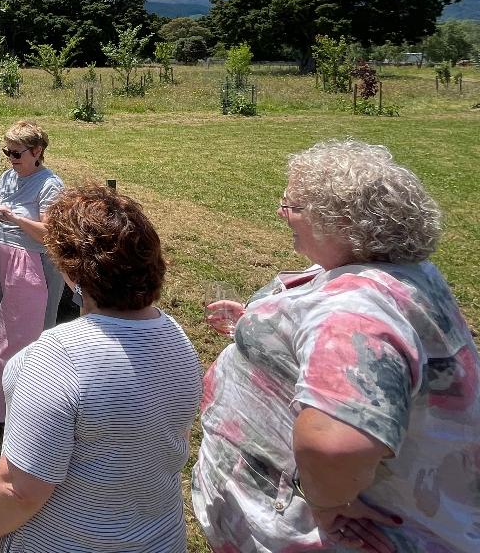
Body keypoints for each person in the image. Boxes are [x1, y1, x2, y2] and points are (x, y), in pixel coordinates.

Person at [193, 139, 480, 553]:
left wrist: (326, 502)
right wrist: (259, 327)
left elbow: (332, 445)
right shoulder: (397, 270)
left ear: (341, 220)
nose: (281, 213)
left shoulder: (356, 312)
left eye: (291, 205)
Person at [0, 185, 202, 553]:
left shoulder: (55, 358)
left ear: (73, 271)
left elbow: (20, 489)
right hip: (161, 539)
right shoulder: (178, 339)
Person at [0, 120, 70, 422]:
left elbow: (49, 234)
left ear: (37, 151)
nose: (11, 158)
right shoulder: (7, 176)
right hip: (0, 255)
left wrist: (13, 218)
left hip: (33, 265)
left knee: (26, 334)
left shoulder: (50, 185)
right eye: (7, 152)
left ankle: (24, 405)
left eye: (17, 153)